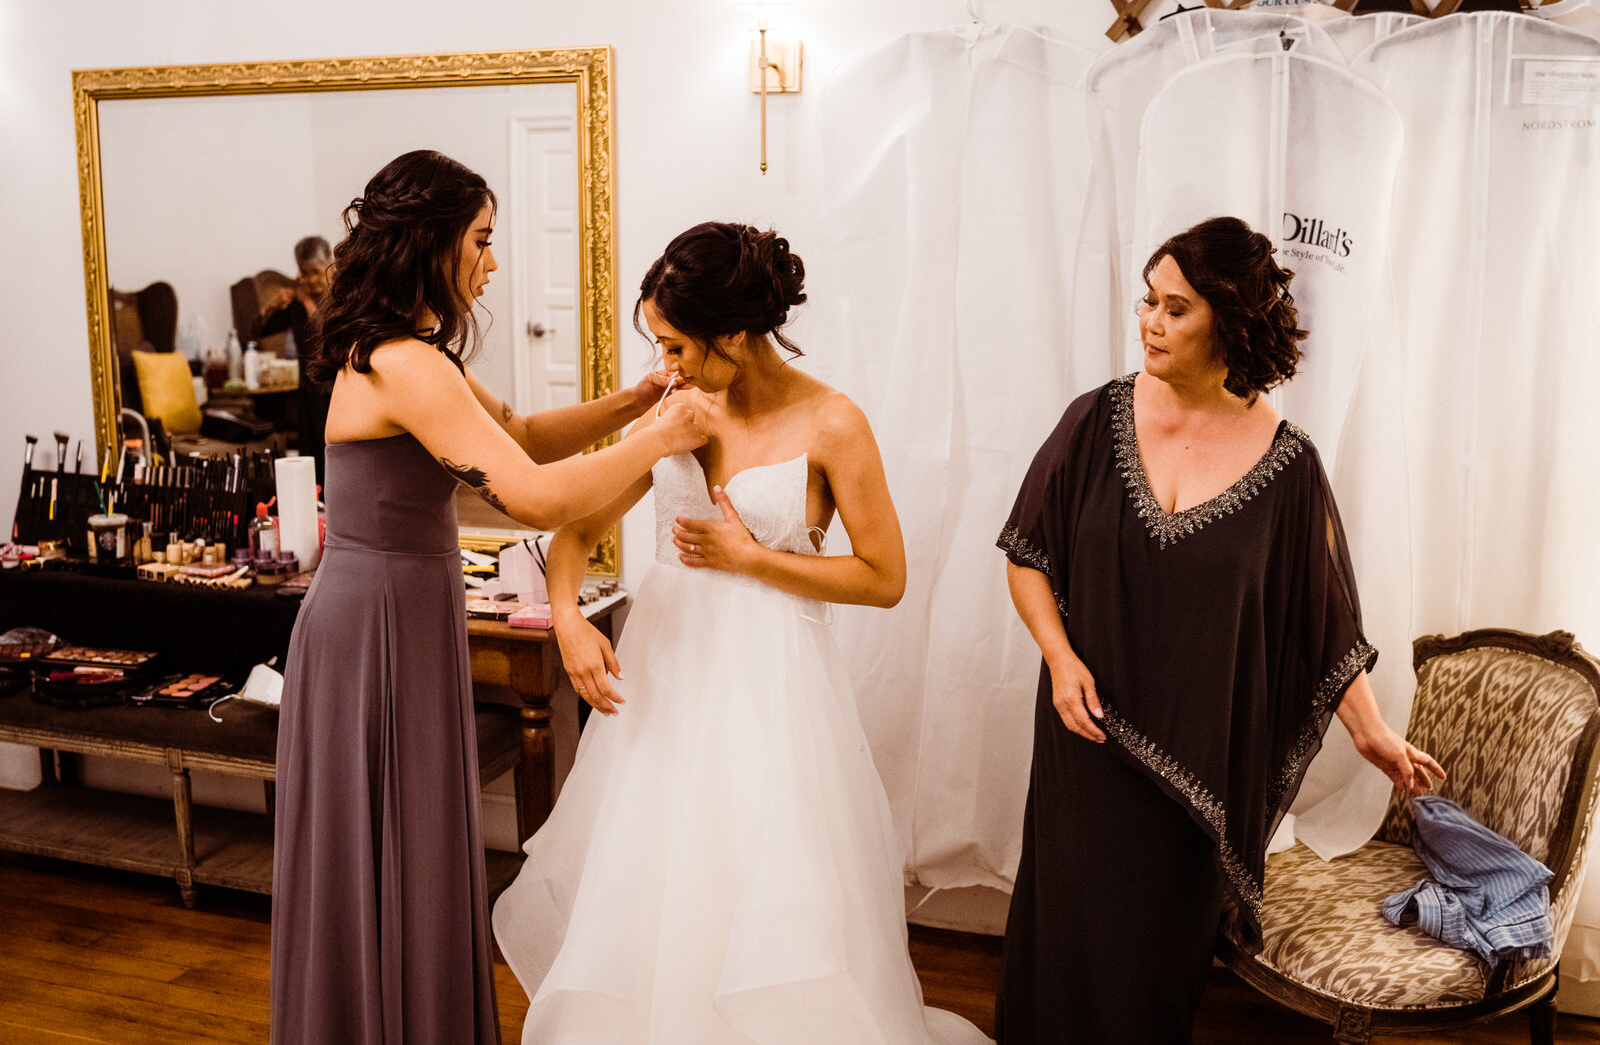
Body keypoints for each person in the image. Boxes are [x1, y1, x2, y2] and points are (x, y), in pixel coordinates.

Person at [491, 222, 991, 1045]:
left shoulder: (833, 421)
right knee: (655, 871)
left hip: (772, 684)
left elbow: (884, 576)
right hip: (665, 673)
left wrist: (753, 558)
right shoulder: (674, 408)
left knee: (762, 872)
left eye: (678, 345)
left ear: (733, 332)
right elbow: (576, 528)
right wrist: (571, 619)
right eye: (658, 345)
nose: (666, 366)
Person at [269, 150, 706, 1045]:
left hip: (403, 608)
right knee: (391, 843)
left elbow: (525, 438)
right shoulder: (400, 363)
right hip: (374, 622)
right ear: (430, 243)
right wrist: (665, 435)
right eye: (481, 240)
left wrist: (635, 400)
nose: (492, 263)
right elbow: (535, 497)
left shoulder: (415, 355)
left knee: (416, 844)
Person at [994, 216, 1445, 1044]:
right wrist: (1059, 659)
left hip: (1197, 766)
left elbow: (1323, 620)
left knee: (1146, 979)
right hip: (1082, 739)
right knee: (1059, 946)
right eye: (1148, 302)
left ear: (1229, 320)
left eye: (1175, 309)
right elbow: (1027, 553)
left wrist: (1373, 731)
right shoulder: (1095, 421)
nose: (1149, 323)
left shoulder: (1289, 464)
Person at [255, 236, 334, 481]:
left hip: (333, 387)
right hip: (307, 388)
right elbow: (258, 331)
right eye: (304, 273)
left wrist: (308, 302)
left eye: (315, 272)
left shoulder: (343, 294)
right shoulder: (296, 303)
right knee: (308, 452)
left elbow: (325, 332)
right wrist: (272, 305)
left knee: (329, 451)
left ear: (329, 264)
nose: (310, 280)